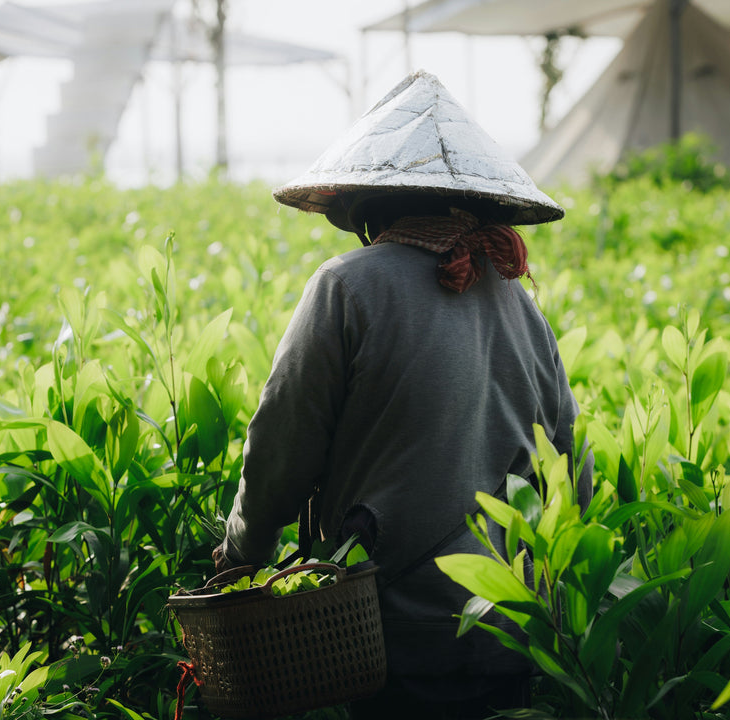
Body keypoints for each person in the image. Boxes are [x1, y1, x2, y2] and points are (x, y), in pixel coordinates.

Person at [212, 71, 594, 719]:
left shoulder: (347, 287)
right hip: (510, 620)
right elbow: (572, 464)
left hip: (388, 626)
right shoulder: (522, 307)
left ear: (369, 211)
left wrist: (241, 553)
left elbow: (283, 443)